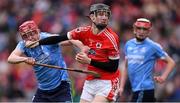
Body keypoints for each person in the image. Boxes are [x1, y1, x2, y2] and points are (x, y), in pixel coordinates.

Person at [26, 3, 120, 103]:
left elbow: (113, 67)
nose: (104, 17)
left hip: (107, 83)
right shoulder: (83, 31)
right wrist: (38, 43)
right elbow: (59, 38)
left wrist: (89, 61)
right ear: (92, 17)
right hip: (90, 81)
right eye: (101, 14)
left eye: (107, 15)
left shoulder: (111, 38)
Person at [7, 20, 75, 102]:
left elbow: (69, 40)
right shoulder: (23, 45)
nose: (30, 38)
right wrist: (25, 59)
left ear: (38, 31)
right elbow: (11, 58)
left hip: (61, 86)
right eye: (25, 36)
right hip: (43, 90)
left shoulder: (47, 38)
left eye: (32, 33)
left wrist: (82, 47)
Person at [119, 18, 175, 102]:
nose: (141, 31)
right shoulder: (128, 44)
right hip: (135, 89)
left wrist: (163, 77)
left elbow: (171, 62)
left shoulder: (153, 46)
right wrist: (121, 87)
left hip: (144, 89)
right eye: (139, 28)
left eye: (144, 29)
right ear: (134, 30)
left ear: (149, 32)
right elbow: (126, 67)